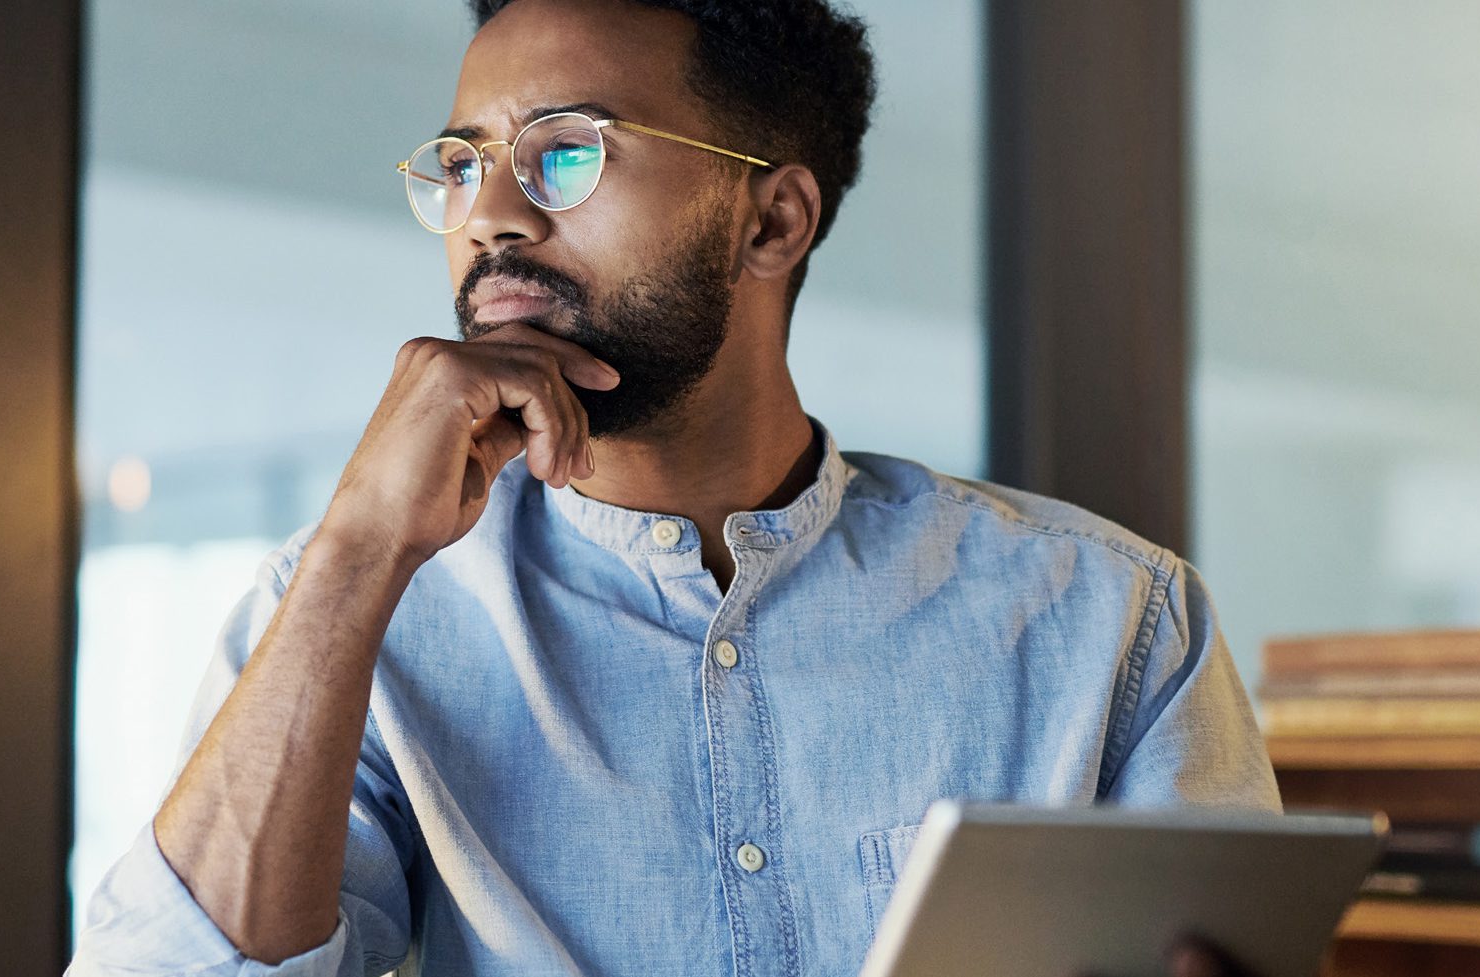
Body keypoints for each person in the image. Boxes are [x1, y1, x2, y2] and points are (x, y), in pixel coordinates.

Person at [69, 0, 1278, 974]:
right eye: (463, 162)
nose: (489, 215)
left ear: (773, 221)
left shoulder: (1113, 622)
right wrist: (354, 553)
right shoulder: (366, 607)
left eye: (567, 152)